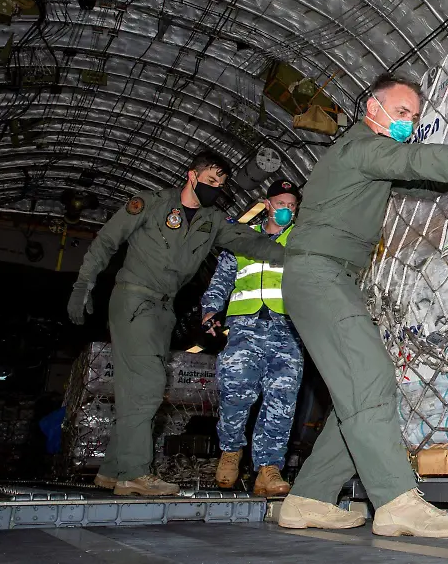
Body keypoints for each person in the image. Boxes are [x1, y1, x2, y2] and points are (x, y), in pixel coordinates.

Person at [276, 73, 448, 537]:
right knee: (370, 378)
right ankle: (396, 502)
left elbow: (425, 183)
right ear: (371, 108)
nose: (409, 123)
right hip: (317, 273)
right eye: (402, 113)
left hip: (332, 276)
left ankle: (309, 497)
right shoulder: (359, 146)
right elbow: (416, 157)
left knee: (357, 392)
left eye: (414, 117)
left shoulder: (374, 158)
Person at [68, 151, 286, 497]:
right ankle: (135, 474)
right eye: (211, 181)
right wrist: (84, 284)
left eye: (222, 184)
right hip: (134, 300)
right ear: (192, 176)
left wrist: (297, 255)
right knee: (150, 384)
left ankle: (112, 471)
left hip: (163, 310)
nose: (217, 188)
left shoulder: (212, 220)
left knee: (133, 389)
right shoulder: (151, 204)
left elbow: (251, 243)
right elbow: (108, 240)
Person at [199, 178, 303, 497]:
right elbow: (223, 278)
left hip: (288, 330)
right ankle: (230, 453)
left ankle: (268, 469)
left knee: (282, 399)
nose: (285, 209)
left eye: (291, 205)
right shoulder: (242, 238)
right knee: (235, 391)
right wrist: (210, 311)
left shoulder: (300, 240)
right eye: (280, 203)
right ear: (267, 204)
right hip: (245, 328)